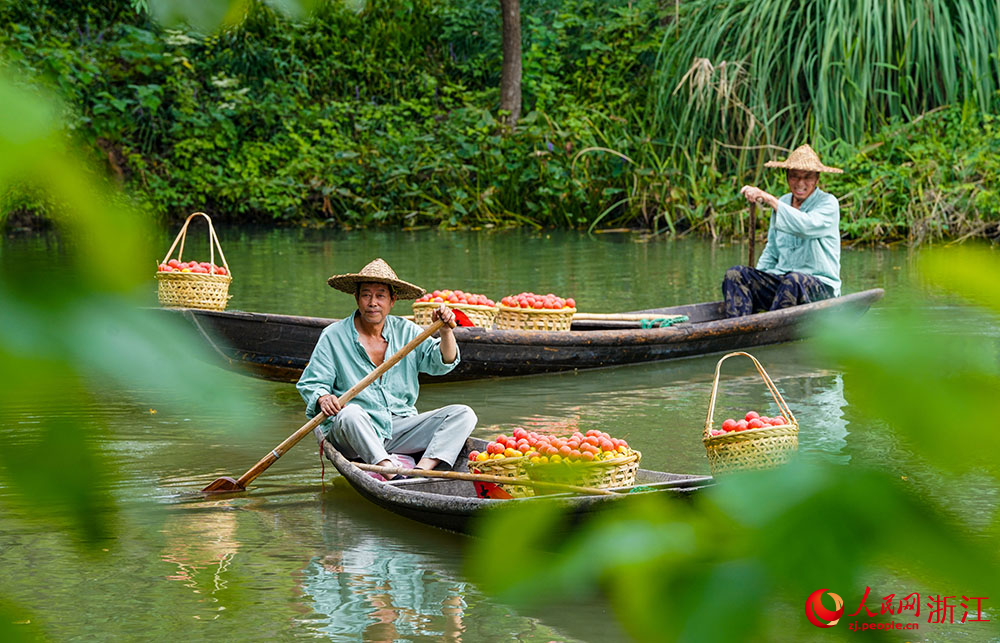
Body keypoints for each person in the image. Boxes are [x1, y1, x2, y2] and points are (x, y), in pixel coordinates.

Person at [296, 258, 477, 480]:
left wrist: (447, 332)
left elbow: (443, 362)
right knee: (350, 413)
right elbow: (312, 383)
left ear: (392, 300)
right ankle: (391, 473)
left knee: (463, 414)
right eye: (366, 295)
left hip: (398, 426)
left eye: (380, 295)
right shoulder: (334, 336)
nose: (373, 302)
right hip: (354, 433)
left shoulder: (408, 332)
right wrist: (324, 398)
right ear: (357, 298)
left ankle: (420, 471)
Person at [722, 144, 843, 317]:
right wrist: (756, 280)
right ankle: (737, 328)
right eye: (794, 177)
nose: (800, 183)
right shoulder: (784, 202)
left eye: (807, 177)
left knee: (794, 280)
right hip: (783, 282)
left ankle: (768, 327)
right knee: (736, 274)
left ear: (816, 179)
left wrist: (769, 199)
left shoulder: (828, 203)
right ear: (787, 177)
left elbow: (806, 226)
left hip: (819, 288)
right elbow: (772, 251)